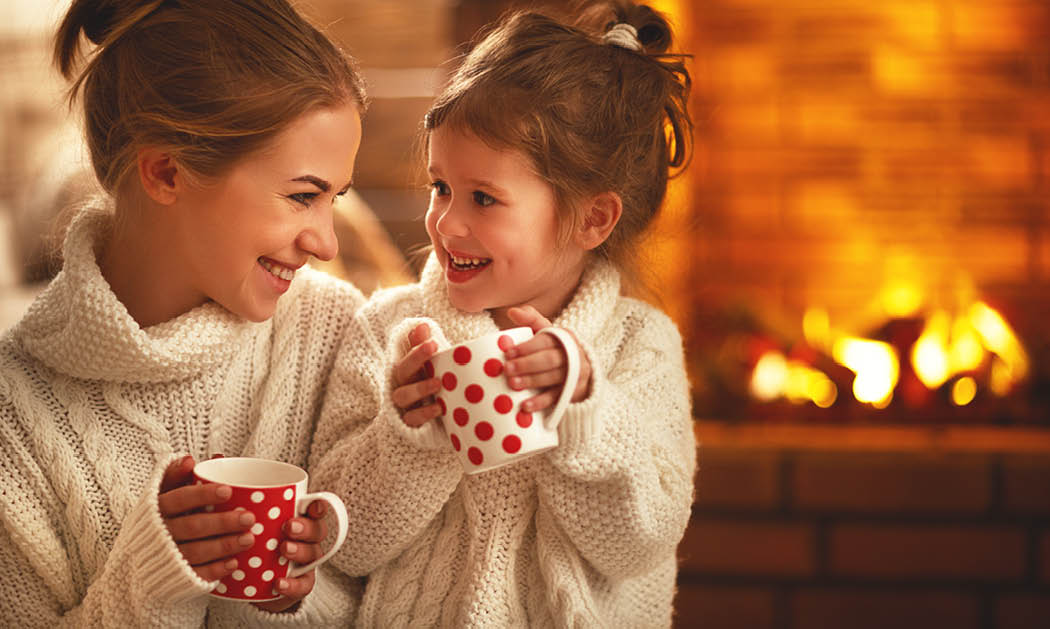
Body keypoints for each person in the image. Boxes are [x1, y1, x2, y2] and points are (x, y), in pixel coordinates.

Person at [310, 1, 697, 625]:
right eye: (441, 187)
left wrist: (581, 410)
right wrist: (411, 439)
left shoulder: (638, 347)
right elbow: (342, 544)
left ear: (593, 218)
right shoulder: (390, 333)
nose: (445, 222)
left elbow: (640, 544)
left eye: (484, 198)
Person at [0, 0, 369, 625]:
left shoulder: (336, 332)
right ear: (167, 171)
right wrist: (151, 580)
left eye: (335, 198)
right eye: (303, 196)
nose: (328, 243)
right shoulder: (16, 415)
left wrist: (296, 596)